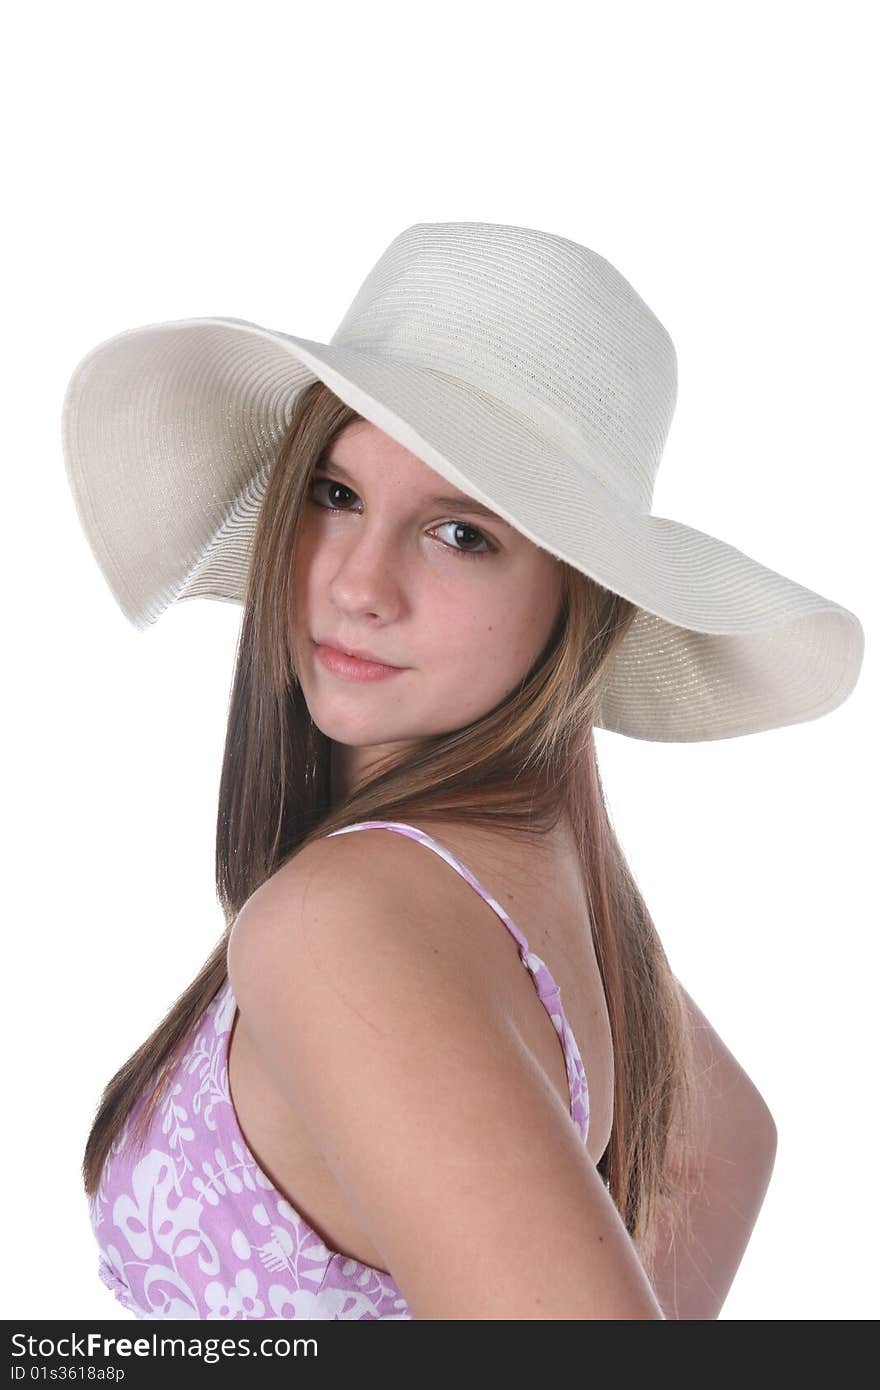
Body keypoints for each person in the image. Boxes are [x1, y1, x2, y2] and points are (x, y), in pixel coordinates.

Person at [62, 221, 863, 1320]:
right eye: (335, 495)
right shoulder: (530, 879)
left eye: (459, 534)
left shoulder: (340, 926)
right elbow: (714, 1144)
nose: (357, 584)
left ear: (577, 598)